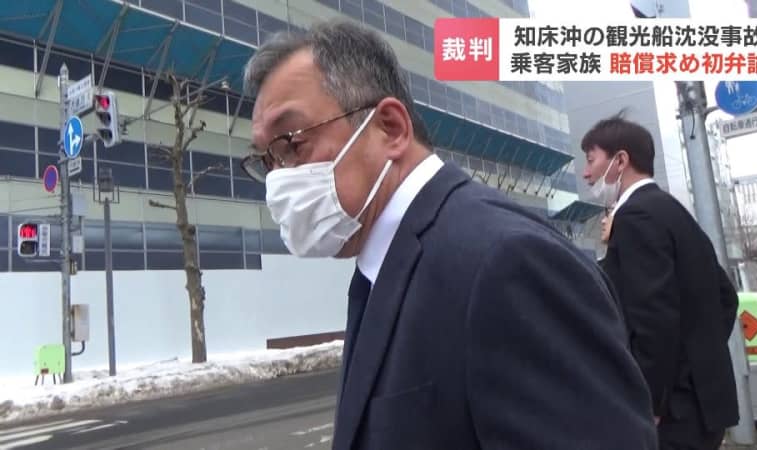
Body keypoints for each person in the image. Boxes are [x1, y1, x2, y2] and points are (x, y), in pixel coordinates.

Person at [241, 20, 657, 450]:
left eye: (292, 144)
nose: (278, 181)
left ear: (390, 128)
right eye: (268, 161)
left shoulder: (506, 261)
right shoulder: (383, 267)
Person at [581, 114, 740, 449]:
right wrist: (700, 360)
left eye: (591, 159)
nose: (585, 173)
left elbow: (653, 318)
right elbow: (725, 297)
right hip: (703, 406)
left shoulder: (635, 217)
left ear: (620, 160)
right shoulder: (671, 211)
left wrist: (651, 402)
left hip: (670, 415)